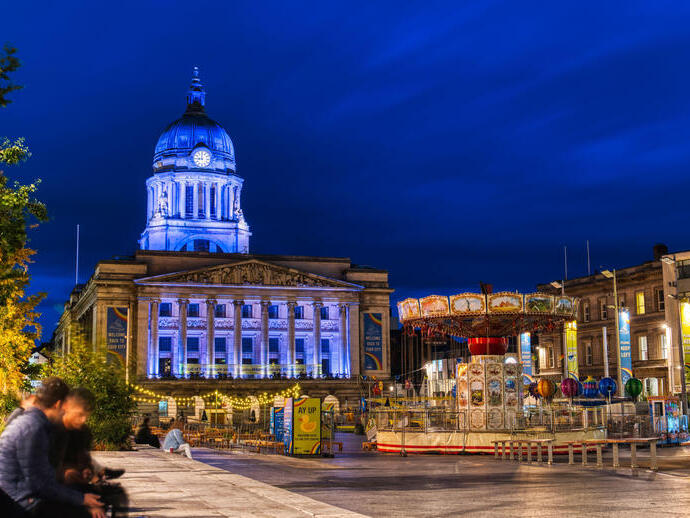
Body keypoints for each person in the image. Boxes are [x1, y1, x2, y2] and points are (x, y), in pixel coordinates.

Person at [0, 377, 104, 518]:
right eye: (65, 408)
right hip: (19, 503)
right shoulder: (33, 428)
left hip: (22, 496)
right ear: (58, 404)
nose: (65, 413)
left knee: (89, 496)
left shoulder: (36, 423)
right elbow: (38, 484)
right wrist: (81, 499)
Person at [57, 388, 128, 517]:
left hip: (76, 483)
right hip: (58, 486)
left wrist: (87, 470)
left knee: (116, 494)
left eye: (86, 415)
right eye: (79, 414)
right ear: (66, 407)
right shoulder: (54, 430)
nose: (83, 419)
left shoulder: (83, 432)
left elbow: (83, 459)